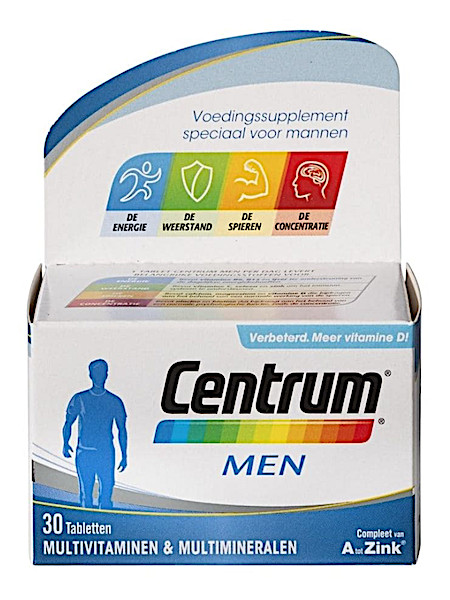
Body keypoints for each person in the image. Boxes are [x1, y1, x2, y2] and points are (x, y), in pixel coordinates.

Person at [62, 359, 127, 509]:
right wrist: (65, 443)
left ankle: (106, 522)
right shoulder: (80, 399)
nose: (99, 376)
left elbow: (122, 430)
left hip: (105, 453)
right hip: (85, 453)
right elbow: (68, 423)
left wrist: (124, 455)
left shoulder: (114, 401)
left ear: (107, 375)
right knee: (86, 495)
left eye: (102, 372)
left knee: (106, 495)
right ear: (90, 375)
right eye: (96, 373)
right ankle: (87, 522)